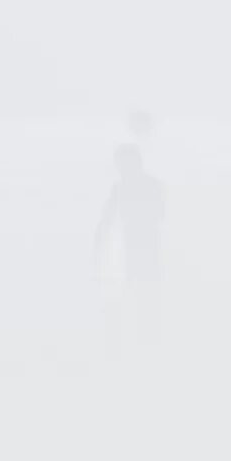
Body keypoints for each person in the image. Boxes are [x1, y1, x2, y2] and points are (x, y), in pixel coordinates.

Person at [94, 142, 166, 345]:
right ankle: (142, 330)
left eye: (123, 164)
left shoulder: (149, 186)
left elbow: (160, 213)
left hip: (147, 240)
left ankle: (149, 330)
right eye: (120, 165)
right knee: (137, 284)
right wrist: (100, 236)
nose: (121, 169)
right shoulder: (122, 187)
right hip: (134, 241)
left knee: (148, 285)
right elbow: (108, 216)